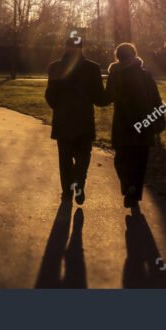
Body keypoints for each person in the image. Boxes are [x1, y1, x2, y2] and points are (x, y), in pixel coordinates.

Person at [45, 35, 109, 205]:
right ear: (82, 48)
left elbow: (50, 95)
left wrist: (59, 108)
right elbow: (99, 98)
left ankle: (67, 192)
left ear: (65, 47)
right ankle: (79, 181)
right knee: (83, 156)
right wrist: (113, 93)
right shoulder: (92, 68)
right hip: (84, 119)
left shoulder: (55, 67)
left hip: (63, 120)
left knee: (64, 159)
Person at [106, 43, 165, 208]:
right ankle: (135, 194)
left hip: (123, 124)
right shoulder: (146, 75)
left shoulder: (115, 75)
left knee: (121, 159)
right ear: (135, 55)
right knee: (140, 161)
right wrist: (160, 120)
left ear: (118, 57)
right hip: (145, 123)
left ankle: (127, 185)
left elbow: (107, 98)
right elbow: (156, 99)